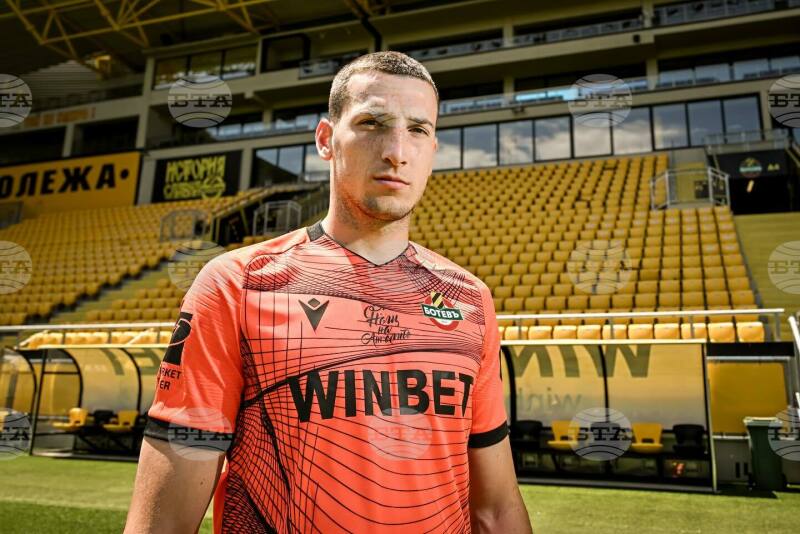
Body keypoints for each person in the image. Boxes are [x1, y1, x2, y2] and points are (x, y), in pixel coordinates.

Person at [125, 51, 532, 534]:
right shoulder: (237, 284)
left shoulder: (469, 299)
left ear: (433, 149)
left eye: (418, 130)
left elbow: (496, 510)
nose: (396, 151)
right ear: (326, 139)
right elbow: (164, 523)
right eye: (372, 123)